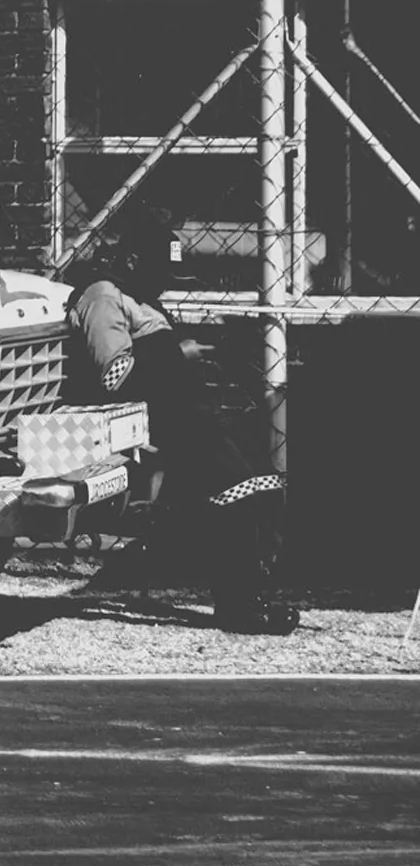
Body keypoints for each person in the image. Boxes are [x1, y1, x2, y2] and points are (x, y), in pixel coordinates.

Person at [64, 211, 295, 634]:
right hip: (148, 421)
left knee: (260, 476)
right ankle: (237, 603)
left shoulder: (138, 296)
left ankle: (255, 588)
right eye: (158, 271)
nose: (165, 282)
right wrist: (177, 353)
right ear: (131, 261)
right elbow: (113, 378)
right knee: (231, 482)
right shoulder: (102, 297)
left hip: (183, 411)